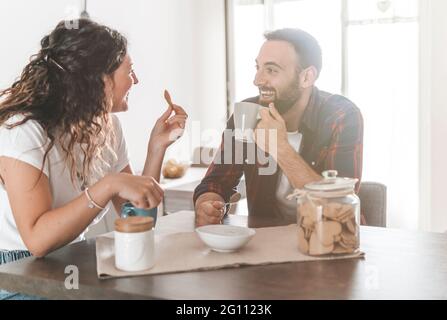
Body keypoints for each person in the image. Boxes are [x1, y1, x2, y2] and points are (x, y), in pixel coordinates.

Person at [0, 19, 187, 299]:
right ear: (98, 79)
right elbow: (38, 241)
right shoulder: (25, 130)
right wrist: (108, 185)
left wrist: (157, 148)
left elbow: (136, 216)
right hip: (19, 272)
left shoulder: (108, 126)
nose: (136, 81)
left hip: (73, 260)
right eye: (130, 71)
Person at [194, 28, 363, 227]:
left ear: (307, 77)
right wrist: (207, 204)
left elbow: (339, 208)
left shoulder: (341, 116)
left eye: (271, 70)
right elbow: (216, 182)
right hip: (266, 245)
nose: (257, 80)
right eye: (258, 67)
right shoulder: (248, 113)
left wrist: (280, 148)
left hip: (330, 241)